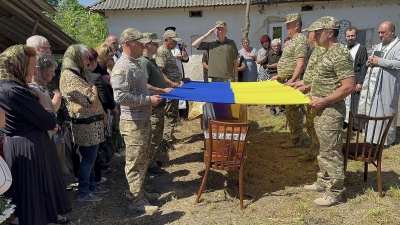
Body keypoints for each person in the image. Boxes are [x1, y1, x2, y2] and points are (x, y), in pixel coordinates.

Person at [0, 45, 71, 225]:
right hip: (29, 148)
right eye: (30, 67)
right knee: (35, 195)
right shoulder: (15, 91)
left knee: (32, 194)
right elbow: (47, 120)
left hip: (22, 144)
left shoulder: (7, 87)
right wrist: (40, 97)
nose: (33, 71)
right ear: (19, 67)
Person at [302, 16, 355, 207]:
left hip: (331, 111)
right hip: (320, 110)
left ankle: (335, 191)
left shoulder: (339, 53)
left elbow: (349, 86)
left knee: (331, 151)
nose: (315, 36)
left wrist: (323, 100)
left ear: (329, 32)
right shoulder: (325, 52)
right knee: (322, 150)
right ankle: (323, 181)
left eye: (318, 32)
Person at [111, 28, 162, 213]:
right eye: (138, 43)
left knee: (143, 159)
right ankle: (135, 202)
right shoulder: (122, 67)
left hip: (142, 120)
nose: (143, 46)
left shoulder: (134, 63)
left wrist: (153, 94)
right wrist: (148, 100)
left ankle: (141, 192)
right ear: (127, 44)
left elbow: (138, 88)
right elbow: (121, 97)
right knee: (134, 162)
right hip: (133, 123)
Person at [60, 44, 108, 202]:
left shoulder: (79, 74)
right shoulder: (70, 76)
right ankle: (83, 192)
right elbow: (90, 100)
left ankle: (92, 186)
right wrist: (93, 87)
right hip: (84, 125)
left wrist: (91, 88)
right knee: (87, 159)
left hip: (91, 123)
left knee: (92, 158)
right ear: (76, 57)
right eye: (86, 57)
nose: (88, 61)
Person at [271, 13, 309, 149]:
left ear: (297, 24)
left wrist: (292, 80)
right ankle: (294, 137)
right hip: (289, 79)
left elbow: (300, 63)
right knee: (290, 111)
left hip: (296, 81)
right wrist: (279, 76)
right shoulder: (293, 40)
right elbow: (289, 63)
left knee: (295, 112)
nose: (286, 26)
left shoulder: (300, 40)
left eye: (289, 24)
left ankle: (296, 139)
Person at [358, 21, 400, 146]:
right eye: (379, 33)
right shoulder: (378, 46)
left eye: (383, 32)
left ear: (392, 31)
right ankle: (372, 138)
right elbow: (374, 59)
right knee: (373, 112)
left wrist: (380, 61)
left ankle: (385, 140)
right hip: (373, 87)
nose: (381, 35)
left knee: (386, 110)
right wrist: (370, 61)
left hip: (388, 86)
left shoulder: (398, 46)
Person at [139, 33, 172, 174]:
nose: (158, 46)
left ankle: (152, 160)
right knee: (153, 136)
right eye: (155, 44)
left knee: (157, 134)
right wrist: (162, 89)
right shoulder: (144, 62)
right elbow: (144, 84)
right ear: (146, 45)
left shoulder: (151, 61)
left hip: (159, 103)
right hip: (152, 104)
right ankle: (149, 165)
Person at [87, 47, 119, 185]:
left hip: (95, 114)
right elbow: (109, 86)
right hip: (99, 113)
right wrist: (113, 109)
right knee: (98, 144)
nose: (110, 59)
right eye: (108, 56)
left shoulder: (88, 75)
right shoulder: (96, 75)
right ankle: (96, 177)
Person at [156, 29, 189, 150]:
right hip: (169, 89)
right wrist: (170, 82)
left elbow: (170, 69)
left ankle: (170, 137)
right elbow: (160, 71)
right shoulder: (162, 52)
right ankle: (167, 142)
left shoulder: (168, 51)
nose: (176, 43)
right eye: (173, 41)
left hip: (174, 88)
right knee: (169, 115)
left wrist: (182, 78)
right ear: (166, 40)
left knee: (173, 114)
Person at [343, 27, 368, 130]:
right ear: (345, 37)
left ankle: (354, 125)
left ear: (356, 36)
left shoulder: (361, 49)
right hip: (345, 79)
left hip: (356, 78)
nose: (350, 38)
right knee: (344, 100)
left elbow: (364, 66)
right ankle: (345, 121)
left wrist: (360, 82)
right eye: (348, 36)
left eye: (352, 36)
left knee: (355, 102)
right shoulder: (343, 48)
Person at [164, 27, 190, 120]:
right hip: (169, 74)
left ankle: (183, 115)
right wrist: (176, 56)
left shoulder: (179, 46)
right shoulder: (165, 48)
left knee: (182, 92)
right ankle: (173, 116)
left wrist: (184, 54)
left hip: (179, 71)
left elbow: (186, 60)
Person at [265, 39, 284, 115]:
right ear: (272, 47)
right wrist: (271, 66)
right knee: (272, 92)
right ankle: (272, 109)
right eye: (274, 46)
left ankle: (282, 110)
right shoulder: (269, 54)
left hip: (281, 74)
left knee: (281, 92)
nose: (276, 47)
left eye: (278, 45)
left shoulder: (283, 54)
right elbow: (264, 65)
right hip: (272, 74)